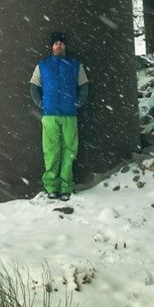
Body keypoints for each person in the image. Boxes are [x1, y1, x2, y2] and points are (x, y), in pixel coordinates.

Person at [29, 30, 89, 200]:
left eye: (61, 43)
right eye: (56, 43)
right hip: (49, 116)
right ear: (51, 46)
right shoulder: (43, 65)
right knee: (51, 151)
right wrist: (41, 103)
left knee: (70, 151)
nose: (59, 45)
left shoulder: (76, 65)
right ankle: (51, 187)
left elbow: (84, 85)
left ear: (65, 46)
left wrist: (78, 102)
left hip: (70, 114)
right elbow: (33, 85)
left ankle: (65, 187)